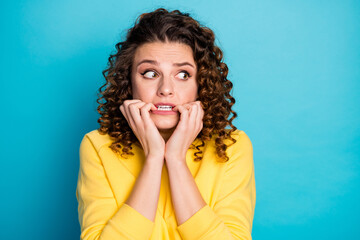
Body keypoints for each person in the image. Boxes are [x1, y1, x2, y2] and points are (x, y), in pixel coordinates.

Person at [76, 8, 256, 240]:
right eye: (150, 73)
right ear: (129, 83)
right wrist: (153, 158)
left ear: (200, 84)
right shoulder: (97, 146)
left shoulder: (231, 147)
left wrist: (175, 159)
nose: (166, 89)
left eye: (182, 75)